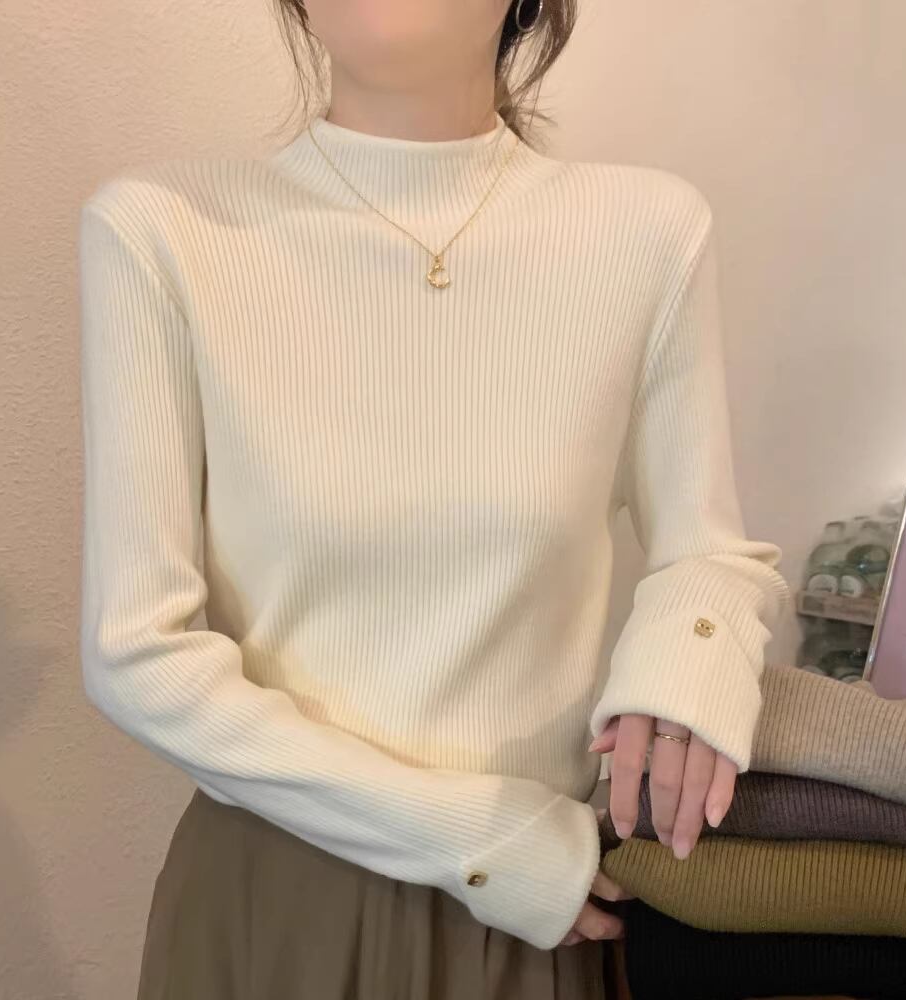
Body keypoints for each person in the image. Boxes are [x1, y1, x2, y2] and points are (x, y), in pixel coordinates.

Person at [77, 1, 789, 997]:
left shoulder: (646, 232)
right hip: (281, 898)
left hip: (539, 918)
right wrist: (482, 840)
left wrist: (686, 665)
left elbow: (705, 552)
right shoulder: (164, 229)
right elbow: (137, 652)